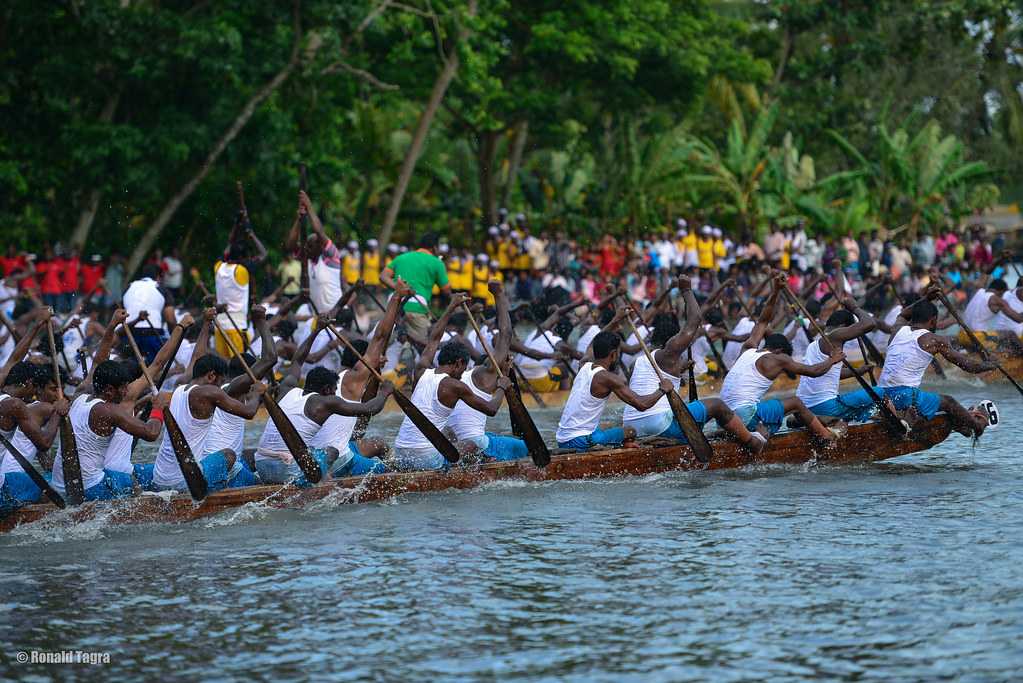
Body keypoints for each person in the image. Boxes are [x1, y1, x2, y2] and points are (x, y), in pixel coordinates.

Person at [621, 278, 766, 453]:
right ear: (671, 340)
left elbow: (647, 383)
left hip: (631, 427)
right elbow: (695, 319)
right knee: (717, 405)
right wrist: (687, 291)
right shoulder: (669, 353)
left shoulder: (638, 362)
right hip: (658, 425)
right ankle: (752, 442)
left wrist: (679, 370)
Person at [840, 296, 997, 437]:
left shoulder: (897, 330)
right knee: (948, 402)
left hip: (882, 395)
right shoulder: (934, 340)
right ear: (933, 320)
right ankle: (977, 427)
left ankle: (961, 426)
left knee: (936, 401)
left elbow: (902, 314)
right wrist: (990, 365)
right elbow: (968, 366)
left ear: (912, 317)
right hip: (904, 397)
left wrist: (926, 298)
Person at [255, 328, 395, 485]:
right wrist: (384, 393)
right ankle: (321, 485)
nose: (336, 394)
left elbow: (298, 360)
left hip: (261, 467)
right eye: (334, 390)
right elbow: (370, 409)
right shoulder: (324, 403)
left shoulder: (286, 389)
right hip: (288, 471)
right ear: (327, 390)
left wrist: (316, 330)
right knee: (332, 451)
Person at [718, 274, 843, 443]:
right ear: (779, 351)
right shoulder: (778, 358)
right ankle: (827, 437)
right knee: (796, 403)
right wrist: (832, 359)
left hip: (724, 419)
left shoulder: (747, 348)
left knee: (768, 417)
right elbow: (813, 372)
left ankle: (754, 432)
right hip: (743, 414)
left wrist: (776, 290)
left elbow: (763, 320)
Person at [308, 279, 412, 477]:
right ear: (363, 361)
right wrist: (396, 297)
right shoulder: (352, 380)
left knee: (379, 443)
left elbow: (363, 421)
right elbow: (380, 337)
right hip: (338, 460)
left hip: (320, 456)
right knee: (396, 475)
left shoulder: (332, 382)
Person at [53, 360, 169, 501]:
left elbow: (98, 360)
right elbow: (151, 433)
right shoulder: (107, 411)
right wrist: (158, 409)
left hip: (62, 485)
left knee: (142, 473)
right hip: (90, 489)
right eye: (123, 388)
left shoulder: (79, 397)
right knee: (162, 474)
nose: (126, 392)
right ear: (109, 390)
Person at [151, 353, 263, 493]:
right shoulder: (208, 393)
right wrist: (257, 394)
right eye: (220, 382)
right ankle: (218, 491)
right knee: (229, 455)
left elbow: (197, 354)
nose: (221, 388)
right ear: (211, 376)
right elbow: (249, 412)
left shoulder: (179, 390)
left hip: (159, 477)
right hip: (185, 483)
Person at [393, 340, 510, 471]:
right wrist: (502, 387)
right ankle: (463, 469)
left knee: (449, 432)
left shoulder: (421, 372)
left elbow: (434, 338)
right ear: (458, 363)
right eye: (463, 369)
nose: (461, 376)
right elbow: (491, 409)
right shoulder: (454, 385)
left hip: (400, 453)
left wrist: (446, 317)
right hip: (425, 459)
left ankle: (456, 463)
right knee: (471, 445)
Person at [447, 281, 530, 462]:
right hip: (474, 443)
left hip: (456, 444)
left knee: (506, 438)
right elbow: (505, 335)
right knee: (527, 447)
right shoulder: (484, 377)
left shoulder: (460, 376)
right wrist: (499, 295)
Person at [555, 331, 672, 450]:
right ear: (613, 354)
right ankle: (622, 445)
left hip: (562, 439)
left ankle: (621, 444)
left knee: (611, 425)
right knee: (631, 431)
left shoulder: (583, 365)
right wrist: (662, 389)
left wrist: (616, 319)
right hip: (580, 441)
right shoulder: (608, 378)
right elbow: (642, 404)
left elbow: (591, 344)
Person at [793, 296, 878, 422]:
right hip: (825, 406)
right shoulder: (835, 336)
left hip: (804, 407)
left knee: (862, 410)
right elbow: (870, 323)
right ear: (843, 326)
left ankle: (859, 420)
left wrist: (859, 371)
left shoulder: (814, 345)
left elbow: (830, 374)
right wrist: (854, 307)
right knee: (882, 391)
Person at [379, 232, 450, 346]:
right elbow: (446, 290)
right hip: (417, 308)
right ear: (434, 247)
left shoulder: (401, 258)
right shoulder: (437, 263)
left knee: (386, 345)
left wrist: (399, 289)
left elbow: (383, 276)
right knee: (420, 347)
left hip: (393, 305)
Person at [122, 264, 177, 364]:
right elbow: (170, 320)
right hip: (152, 336)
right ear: (158, 277)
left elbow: (121, 315)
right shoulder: (161, 288)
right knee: (155, 369)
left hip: (128, 335)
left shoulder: (128, 287)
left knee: (128, 368)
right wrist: (176, 340)